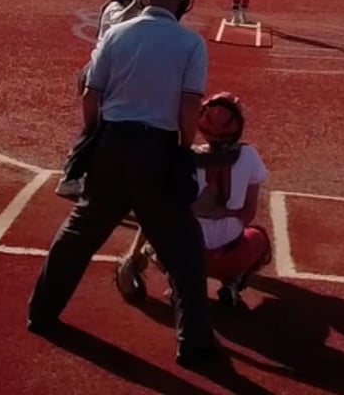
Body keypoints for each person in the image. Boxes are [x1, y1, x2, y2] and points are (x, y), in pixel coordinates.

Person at [27, 0, 219, 369]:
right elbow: (189, 107)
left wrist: (95, 136)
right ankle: (193, 344)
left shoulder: (116, 33)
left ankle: (41, 313)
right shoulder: (190, 43)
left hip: (111, 143)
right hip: (159, 148)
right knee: (183, 250)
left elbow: (90, 94)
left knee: (79, 233)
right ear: (181, 2)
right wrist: (183, 148)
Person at [115, 92, 271, 313]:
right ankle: (232, 283)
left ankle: (173, 280)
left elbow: (155, 211)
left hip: (184, 258)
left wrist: (134, 254)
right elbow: (248, 213)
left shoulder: (182, 157)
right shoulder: (250, 156)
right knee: (259, 238)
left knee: (158, 224)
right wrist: (226, 213)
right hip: (228, 259)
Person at [55, 0, 154, 202]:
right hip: (99, 78)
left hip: (113, 79)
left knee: (109, 129)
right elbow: (120, 22)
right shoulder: (114, 8)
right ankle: (70, 178)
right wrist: (137, 4)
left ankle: (97, 177)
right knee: (94, 129)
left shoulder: (135, 12)